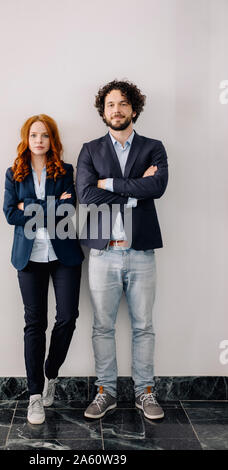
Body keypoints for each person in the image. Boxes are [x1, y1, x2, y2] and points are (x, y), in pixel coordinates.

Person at [76, 79, 168, 420]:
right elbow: (86, 195)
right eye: (111, 104)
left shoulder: (154, 147)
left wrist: (110, 184)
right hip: (102, 253)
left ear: (134, 109)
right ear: (104, 111)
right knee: (103, 326)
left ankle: (146, 393)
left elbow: (157, 186)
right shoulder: (90, 150)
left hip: (141, 251)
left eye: (123, 103)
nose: (117, 109)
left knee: (144, 325)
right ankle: (106, 392)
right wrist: (134, 191)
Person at [3, 114, 84, 425]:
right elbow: (10, 214)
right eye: (34, 135)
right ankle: (35, 395)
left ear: (53, 140)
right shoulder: (14, 174)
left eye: (45, 136)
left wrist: (30, 208)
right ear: (27, 139)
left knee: (67, 317)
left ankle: (51, 373)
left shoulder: (65, 171)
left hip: (63, 255)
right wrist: (48, 207)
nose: (39, 140)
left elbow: (67, 210)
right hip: (28, 258)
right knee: (34, 325)